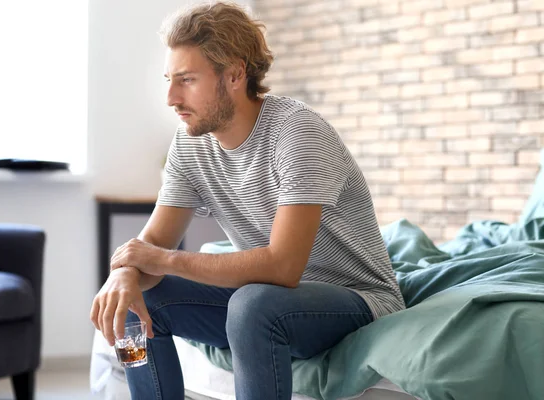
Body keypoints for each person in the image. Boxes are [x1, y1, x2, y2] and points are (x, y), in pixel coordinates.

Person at [90, 2, 405, 399]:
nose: (171, 97)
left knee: (252, 305)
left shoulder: (297, 133)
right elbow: (150, 244)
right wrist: (124, 275)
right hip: (267, 303)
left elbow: (284, 267)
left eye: (186, 80)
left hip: (353, 300)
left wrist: (164, 261)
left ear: (235, 75)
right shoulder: (190, 146)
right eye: (169, 79)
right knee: (140, 301)